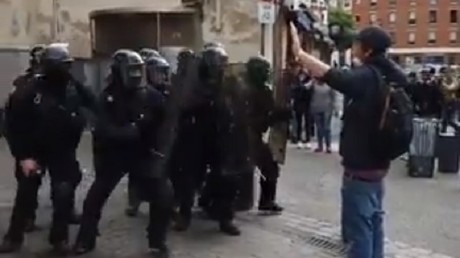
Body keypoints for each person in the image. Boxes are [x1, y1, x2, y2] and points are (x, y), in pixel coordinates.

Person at [290, 23, 408, 258]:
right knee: (374, 224)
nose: (353, 46)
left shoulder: (367, 76)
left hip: (361, 170)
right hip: (378, 167)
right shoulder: (391, 75)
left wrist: (300, 53)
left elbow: (333, 76)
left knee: (360, 232)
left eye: (357, 43)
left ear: (367, 50)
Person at [73, 49, 173, 258]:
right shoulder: (107, 97)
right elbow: (105, 130)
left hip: (143, 154)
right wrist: (135, 128)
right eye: (131, 70)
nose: (135, 75)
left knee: (164, 196)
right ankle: (85, 239)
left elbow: (165, 124)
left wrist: (158, 148)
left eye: (138, 70)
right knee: (94, 199)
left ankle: (157, 241)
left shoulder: (151, 96)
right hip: (114, 155)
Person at [0, 44, 96, 254]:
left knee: (63, 193)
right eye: (61, 66)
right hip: (34, 151)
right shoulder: (30, 90)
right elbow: (12, 124)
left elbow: (95, 104)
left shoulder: (73, 86)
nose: (65, 71)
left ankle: (59, 238)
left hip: (63, 150)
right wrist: (24, 157)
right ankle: (14, 237)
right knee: (26, 193)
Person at [125, 53, 172, 217]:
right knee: (137, 173)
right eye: (158, 72)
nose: (162, 76)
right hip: (143, 139)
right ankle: (134, 202)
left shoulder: (167, 91)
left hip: (161, 139)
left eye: (163, 72)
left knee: (161, 174)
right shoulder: (141, 92)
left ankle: (163, 204)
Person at [245, 56, 290, 214]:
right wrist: (273, 116)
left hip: (256, 135)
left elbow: (269, 112)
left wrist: (280, 113)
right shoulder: (246, 91)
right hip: (244, 136)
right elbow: (249, 119)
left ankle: (267, 200)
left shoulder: (264, 91)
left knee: (270, 168)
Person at [309, 78, 336, 153]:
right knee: (319, 128)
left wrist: (334, 108)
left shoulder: (329, 86)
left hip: (327, 108)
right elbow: (307, 92)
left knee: (326, 128)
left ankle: (328, 146)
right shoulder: (313, 85)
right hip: (316, 107)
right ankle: (320, 146)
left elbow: (333, 97)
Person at [290, 65, 313, 149]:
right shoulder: (296, 80)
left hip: (307, 104)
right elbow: (294, 90)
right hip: (298, 104)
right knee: (298, 123)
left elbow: (310, 92)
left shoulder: (309, 80)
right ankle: (299, 139)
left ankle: (308, 140)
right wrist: (304, 88)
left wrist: (303, 88)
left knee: (308, 122)